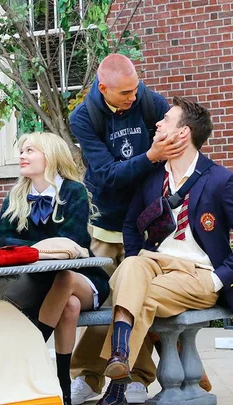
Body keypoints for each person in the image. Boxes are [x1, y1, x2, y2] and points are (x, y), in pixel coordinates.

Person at [96, 97, 232, 404]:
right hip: (152, 263)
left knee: (131, 292)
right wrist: (134, 257)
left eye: (167, 120)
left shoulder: (221, 180)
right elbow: (131, 225)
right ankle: (119, 360)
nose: (158, 123)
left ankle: (117, 383)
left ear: (183, 133)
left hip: (197, 274)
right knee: (130, 268)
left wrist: (219, 279)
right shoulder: (153, 177)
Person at [68, 53, 185, 404]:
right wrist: (151, 156)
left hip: (149, 224)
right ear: (103, 88)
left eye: (135, 89)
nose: (133, 98)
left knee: (136, 300)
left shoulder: (150, 102)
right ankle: (87, 376)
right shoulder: (84, 117)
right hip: (104, 223)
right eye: (124, 94)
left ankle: (136, 376)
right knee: (102, 302)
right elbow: (106, 176)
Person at [0, 132, 110, 405]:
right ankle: (63, 388)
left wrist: (29, 248)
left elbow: (74, 241)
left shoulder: (74, 191)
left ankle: (30, 351)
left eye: (30, 150)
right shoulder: (16, 194)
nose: (22, 155)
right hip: (43, 284)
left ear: (50, 156)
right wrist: (46, 248)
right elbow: (3, 239)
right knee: (68, 307)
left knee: (66, 277)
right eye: (21, 151)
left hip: (84, 278)